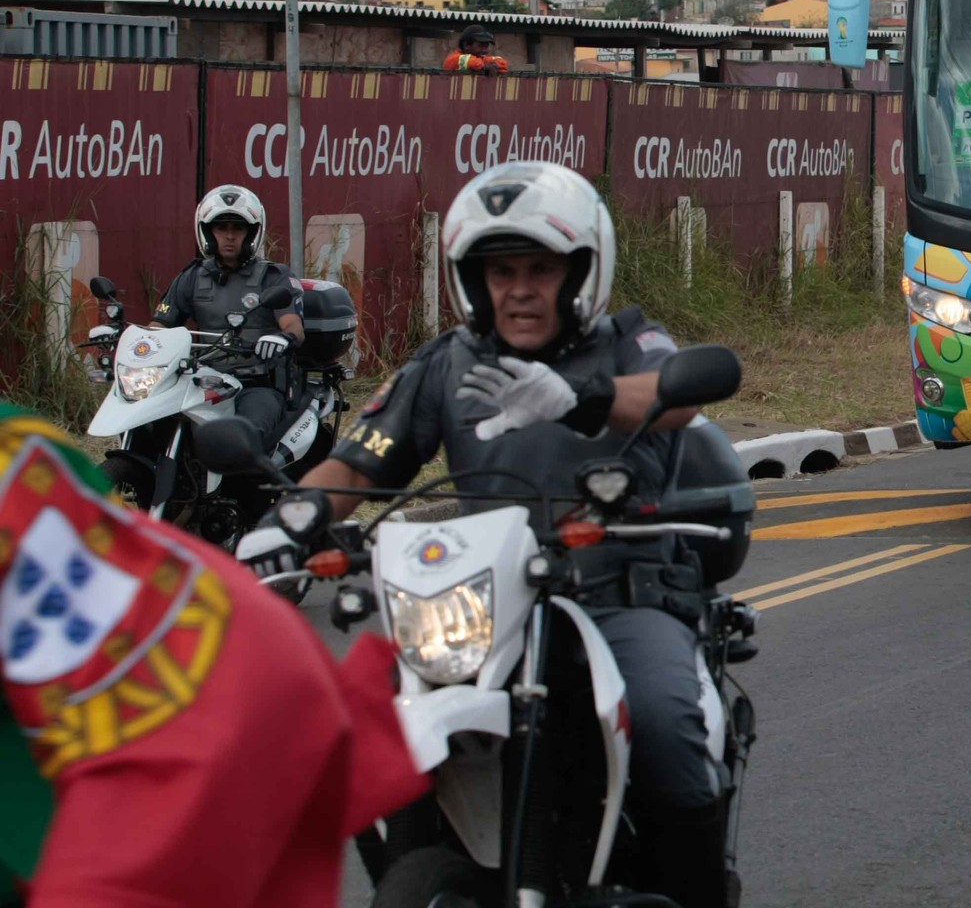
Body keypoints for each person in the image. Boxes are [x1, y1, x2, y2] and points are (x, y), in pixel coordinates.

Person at [239, 160, 750, 908]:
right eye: (499, 270)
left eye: (540, 268)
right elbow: (360, 464)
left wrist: (580, 396)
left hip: (615, 598)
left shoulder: (629, 345)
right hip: (480, 607)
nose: (518, 288)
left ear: (582, 271)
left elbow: (673, 399)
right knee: (369, 724)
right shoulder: (449, 364)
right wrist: (287, 524)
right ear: (470, 281)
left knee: (669, 725)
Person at [0, 403, 426, 908]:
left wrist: (277, 335)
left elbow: (368, 448)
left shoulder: (13, 462)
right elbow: (370, 449)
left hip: (188, 720)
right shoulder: (439, 366)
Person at [149, 185, 306, 476]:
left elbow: (294, 326)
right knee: (155, 423)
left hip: (258, 383)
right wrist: (139, 346)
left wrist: (281, 338)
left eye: (238, 228)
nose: (230, 236)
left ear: (252, 232)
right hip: (205, 382)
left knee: (245, 441)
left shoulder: (274, 276)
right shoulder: (192, 277)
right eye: (221, 228)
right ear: (208, 232)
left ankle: (250, 507)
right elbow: (160, 325)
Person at [443, 23, 509, 73]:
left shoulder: (480, 59)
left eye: (486, 46)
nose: (485, 50)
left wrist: (494, 66)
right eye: (481, 46)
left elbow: (503, 63)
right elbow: (472, 62)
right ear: (466, 45)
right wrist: (485, 67)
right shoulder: (454, 59)